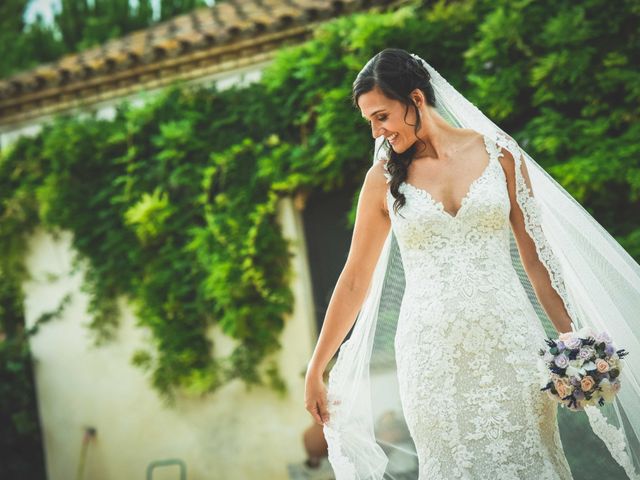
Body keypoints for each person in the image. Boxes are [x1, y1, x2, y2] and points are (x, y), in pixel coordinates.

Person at [304, 48, 640, 479]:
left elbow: (536, 261)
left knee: (530, 459)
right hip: (430, 355)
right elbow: (354, 280)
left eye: (382, 116)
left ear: (416, 100)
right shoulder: (382, 182)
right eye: (369, 120)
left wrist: (574, 342)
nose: (376, 131)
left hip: (510, 341)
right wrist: (318, 367)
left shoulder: (501, 156)